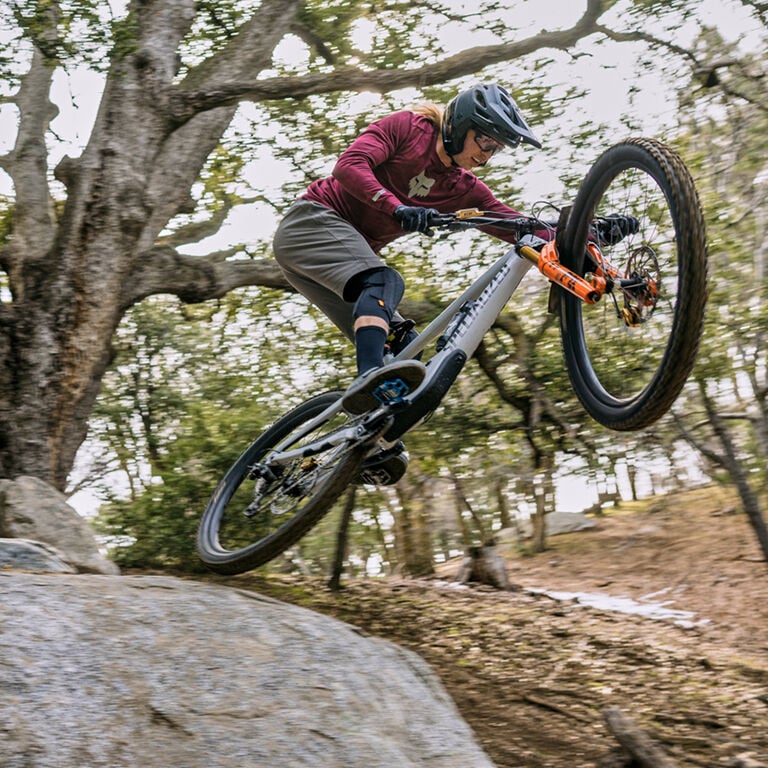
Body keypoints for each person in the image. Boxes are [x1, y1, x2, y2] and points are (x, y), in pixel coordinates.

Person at [272, 83, 634, 483]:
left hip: (329, 263)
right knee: (383, 281)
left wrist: (590, 234)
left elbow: (519, 228)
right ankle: (366, 381)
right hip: (312, 222)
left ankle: (364, 443)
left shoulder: (462, 188)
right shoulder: (410, 129)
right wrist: (396, 206)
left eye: (495, 149)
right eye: (485, 141)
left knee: (404, 356)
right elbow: (349, 165)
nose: (487, 154)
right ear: (461, 125)